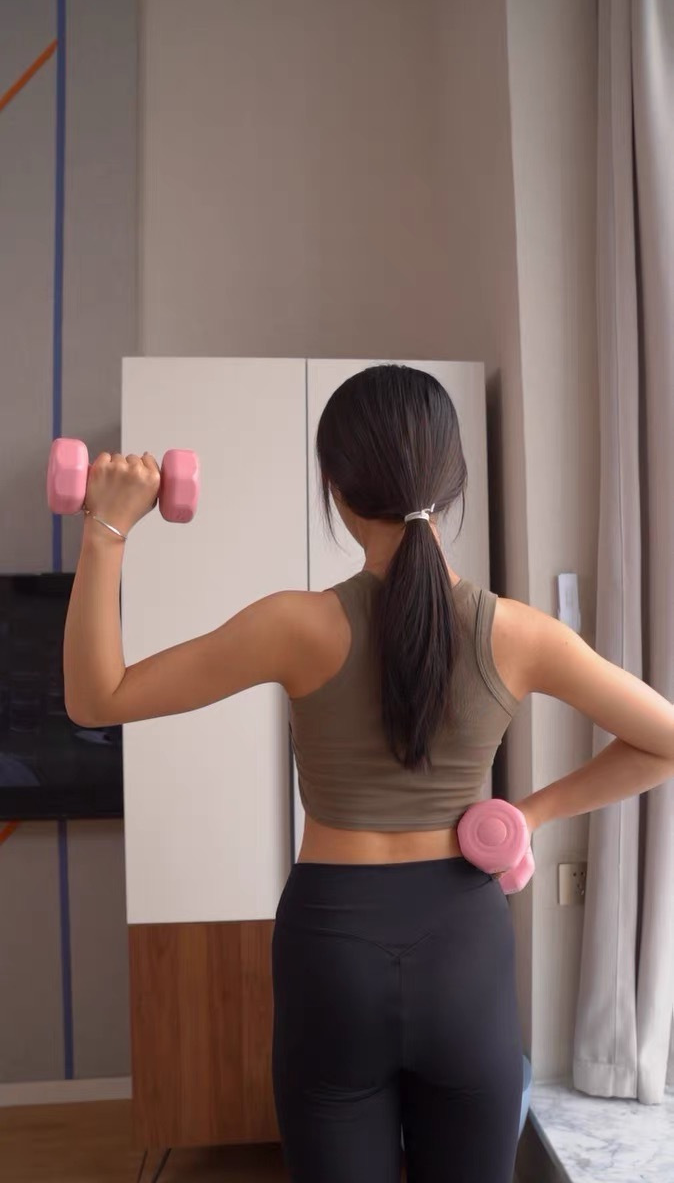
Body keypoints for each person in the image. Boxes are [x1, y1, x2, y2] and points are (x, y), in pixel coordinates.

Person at [63, 364, 673, 1183]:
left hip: (332, 947)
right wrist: (529, 814)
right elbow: (664, 742)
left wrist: (106, 529)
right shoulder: (520, 634)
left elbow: (97, 697)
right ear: (452, 481)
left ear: (334, 486)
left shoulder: (295, 625)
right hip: (464, 945)